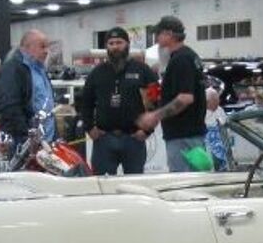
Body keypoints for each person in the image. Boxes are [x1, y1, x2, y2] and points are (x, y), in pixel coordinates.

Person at [80, 27, 158, 175]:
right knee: (102, 185)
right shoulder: (96, 73)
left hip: (134, 139)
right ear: (106, 46)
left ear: (127, 44)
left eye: (119, 42)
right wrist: (89, 127)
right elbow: (85, 103)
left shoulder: (143, 70)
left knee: (134, 184)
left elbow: (156, 100)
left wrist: (147, 130)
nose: (115, 47)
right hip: (104, 140)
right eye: (111, 43)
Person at [137, 15, 207, 172]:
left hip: (183, 136)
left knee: (183, 181)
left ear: (169, 34)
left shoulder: (181, 59)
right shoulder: (189, 56)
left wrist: (155, 116)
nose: (156, 39)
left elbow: (185, 98)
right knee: (195, 178)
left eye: (158, 34)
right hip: (190, 134)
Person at [0, 29, 55, 145]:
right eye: (42, 46)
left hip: (45, 141)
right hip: (24, 142)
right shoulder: (13, 69)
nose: (46, 51)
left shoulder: (41, 70)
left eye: (47, 47)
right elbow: (9, 106)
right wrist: (27, 137)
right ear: (27, 47)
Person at [204, 87, 228, 171]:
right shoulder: (200, 111)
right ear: (207, 101)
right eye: (214, 100)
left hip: (220, 138)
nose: (218, 102)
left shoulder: (220, 110)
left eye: (218, 100)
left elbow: (224, 123)